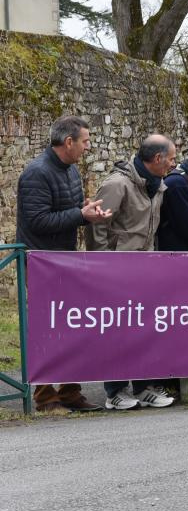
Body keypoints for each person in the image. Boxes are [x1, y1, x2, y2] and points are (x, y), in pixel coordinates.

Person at [16, 116, 111, 413]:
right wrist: (82, 216)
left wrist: (87, 212)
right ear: (68, 142)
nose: (88, 146)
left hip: (65, 260)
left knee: (73, 325)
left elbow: (71, 211)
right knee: (45, 328)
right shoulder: (36, 173)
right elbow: (38, 220)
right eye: (84, 141)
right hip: (41, 262)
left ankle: (71, 392)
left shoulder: (71, 172)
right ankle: (45, 398)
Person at [86, 134, 178, 410]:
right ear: (158, 159)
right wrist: (104, 263)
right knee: (117, 331)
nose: (175, 164)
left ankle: (143, 386)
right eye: (172, 159)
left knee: (145, 328)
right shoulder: (117, 184)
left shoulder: (158, 186)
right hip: (117, 270)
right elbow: (97, 225)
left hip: (145, 269)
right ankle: (115, 391)